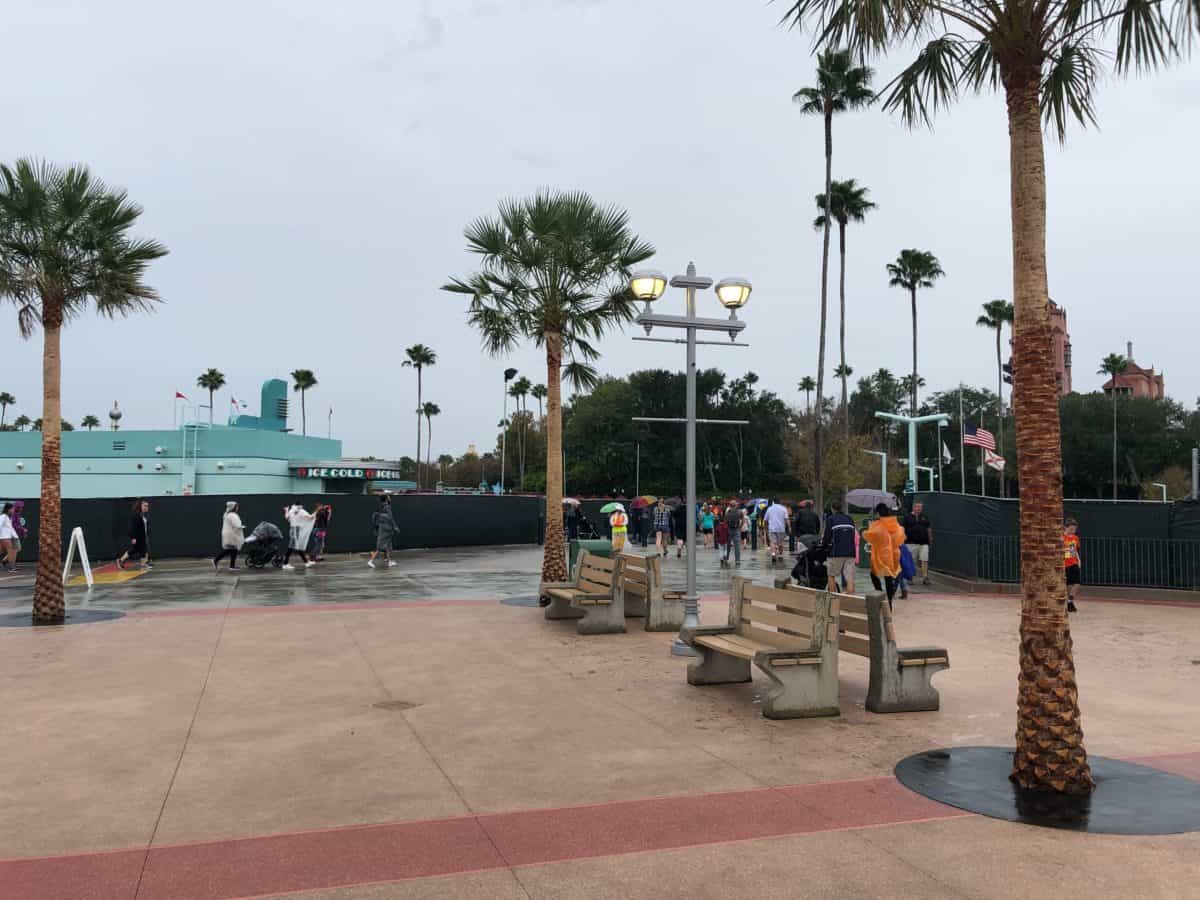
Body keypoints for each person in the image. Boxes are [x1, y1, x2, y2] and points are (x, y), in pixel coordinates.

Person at [864, 503, 906, 607]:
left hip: (882, 554)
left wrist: (871, 526)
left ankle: (880, 594)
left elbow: (871, 536)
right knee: (889, 577)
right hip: (894, 553)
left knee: (874, 574)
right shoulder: (894, 523)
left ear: (878, 512)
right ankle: (890, 602)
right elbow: (900, 536)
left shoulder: (879, 524)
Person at [822, 499, 857, 593]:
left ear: (832, 509)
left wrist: (824, 546)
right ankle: (850, 600)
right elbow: (853, 535)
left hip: (836, 552)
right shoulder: (849, 518)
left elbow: (827, 537)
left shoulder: (831, 519)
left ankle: (833, 598)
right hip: (851, 552)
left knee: (831, 575)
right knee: (850, 578)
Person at [902, 501, 934, 588]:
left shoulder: (924, 517)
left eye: (920, 507)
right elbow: (903, 529)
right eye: (917, 507)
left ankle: (925, 577)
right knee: (912, 561)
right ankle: (910, 578)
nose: (919, 509)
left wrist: (930, 539)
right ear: (913, 507)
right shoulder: (907, 517)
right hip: (911, 543)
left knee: (924, 559)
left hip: (924, 542)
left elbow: (929, 528)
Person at [117, 499, 151, 569]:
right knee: (136, 550)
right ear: (140, 506)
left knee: (141, 550)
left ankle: (144, 563)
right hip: (138, 537)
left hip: (143, 536)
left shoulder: (143, 516)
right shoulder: (136, 516)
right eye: (145, 506)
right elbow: (133, 528)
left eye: (147, 506)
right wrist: (133, 538)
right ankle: (121, 560)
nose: (146, 507)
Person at [282, 504, 316, 569]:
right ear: (300, 506)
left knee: (296, 546)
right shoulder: (301, 511)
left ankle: (306, 562)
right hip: (296, 530)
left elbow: (286, 517)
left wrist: (286, 510)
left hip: (292, 529)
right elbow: (310, 517)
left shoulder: (291, 510)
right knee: (291, 547)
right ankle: (285, 564)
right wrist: (316, 512)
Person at [213, 501, 244, 570]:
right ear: (234, 507)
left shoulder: (227, 514)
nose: (238, 508)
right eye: (237, 506)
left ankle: (231, 566)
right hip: (231, 534)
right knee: (230, 549)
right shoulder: (233, 515)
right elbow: (237, 525)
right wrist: (241, 526)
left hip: (228, 533)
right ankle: (216, 560)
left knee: (232, 549)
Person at [369, 495, 398, 568]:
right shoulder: (387, 507)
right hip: (385, 529)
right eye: (388, 497)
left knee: (387, 546)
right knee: (380, 547)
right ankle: (370, 561)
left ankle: (388, 561)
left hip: (383, 529)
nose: (390, 498)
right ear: (386, 499)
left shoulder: (381, 507)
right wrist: (395, 527)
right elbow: (391, 518)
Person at [763, 498, 791, 564]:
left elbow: (765, 520)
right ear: (780, 502)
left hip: (772, 528)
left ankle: (773, 554)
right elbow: (787, 519)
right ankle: (780, 554)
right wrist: (789, 527)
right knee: (780, 542)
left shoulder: (769, 509)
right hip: (781, 528)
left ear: (773, 502)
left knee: (772, 542)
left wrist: (765, 527)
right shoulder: (783, 509)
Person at [1064, 518, 1081, 613]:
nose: (1072, 531)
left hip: (1073, 562)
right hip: (1064, 564)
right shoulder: (1062, 538)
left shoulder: (1075, 538)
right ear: (1065, 528)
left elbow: (1075, 550)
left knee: (1077, 583)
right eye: (1070, 529)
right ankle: (1066, 602)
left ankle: (1070, 600)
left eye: (1074, 530)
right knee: (1065, 584)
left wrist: (1078, 560)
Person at [724, 502, 743, 566]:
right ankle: (737, 560)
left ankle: (726, 558)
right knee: (737, 546)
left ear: (730, 505)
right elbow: (742, 520)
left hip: (728, 530)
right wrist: (740, 527)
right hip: (736, 529)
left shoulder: (727, 512)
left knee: (728, 545)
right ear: (736, 505)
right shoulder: (739, 512)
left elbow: (725, 521)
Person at [0, 502, 17, 573]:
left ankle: (11, 567)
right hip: (4, 537)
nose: (13, 510)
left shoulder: (7, 517)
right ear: (8, 509)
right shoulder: (3, 516)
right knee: (11, 551)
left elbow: (10, 528)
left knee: (1, 551)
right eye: (12, 509)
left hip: (6, 537)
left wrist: (14, 536)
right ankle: (11, 568)